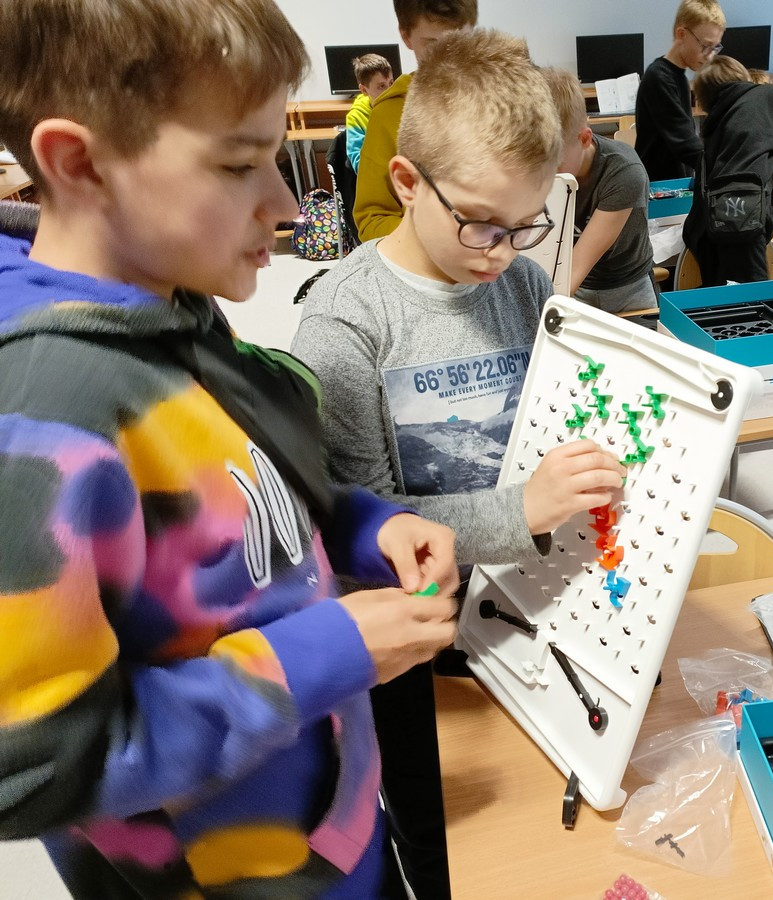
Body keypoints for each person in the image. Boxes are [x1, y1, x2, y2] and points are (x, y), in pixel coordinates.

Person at [0, 0, 462, 897]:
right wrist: (320, 655)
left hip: (329, 841)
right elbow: (37, 768)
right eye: (240, 164)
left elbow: (238, 499)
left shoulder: (169, 302)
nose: (285, 205)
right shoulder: (44, 412)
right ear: (80, 164)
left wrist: (364, 527)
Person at [291, 29, 627, 900]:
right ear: (407, 182)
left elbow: (548, 420)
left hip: (528, 607)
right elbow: (363, 519)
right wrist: (524, 510)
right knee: (443, 838)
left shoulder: (520, 284)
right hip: (417, 641)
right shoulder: (344, 324)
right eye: (480, 222)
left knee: (540, 825)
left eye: (525, 226)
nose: (502, 251)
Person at [683, 55, 773, 287]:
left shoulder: (715, 123)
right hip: (744, 221)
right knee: (756, 302)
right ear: (743, 77)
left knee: (717, 304)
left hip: (705, 228)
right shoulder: (770, 98)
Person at [354, 0, 478, 242]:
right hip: (426, 256)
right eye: (432, 43)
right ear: (406, 36)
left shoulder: (498, 100)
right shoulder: (388, 114)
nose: (449, 57)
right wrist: (439, 237)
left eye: (460, 41)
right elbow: (372, 220)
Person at [543, 68, 656, 313]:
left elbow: (571, 274)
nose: (545, 175)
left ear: (584, 139)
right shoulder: (543, 171)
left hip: (629, 292)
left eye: (554, 162)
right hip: (577, 291)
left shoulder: (624, 172)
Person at [634, 0, 726, 181]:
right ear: (681, 34)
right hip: (658, 185)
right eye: (705, 46)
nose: (710, 56)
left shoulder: (680, 77)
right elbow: (684, 143)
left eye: (715, 47)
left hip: (676, 181)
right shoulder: (659, 77)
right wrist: (725, 166)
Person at [346, 52, 395, 172]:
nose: (390, 91)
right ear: (364, 90)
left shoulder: (399, 105)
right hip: (379, 176)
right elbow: (359, 164)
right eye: (381, 86)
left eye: (391, 83)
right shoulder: (356, 117)